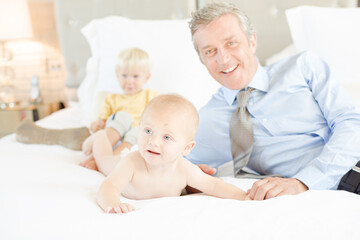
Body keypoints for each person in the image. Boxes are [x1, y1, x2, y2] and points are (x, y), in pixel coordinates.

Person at [186, 2, 360, 200]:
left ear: (252, 41)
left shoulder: (304, 67)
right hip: (315, 204)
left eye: (231, 43)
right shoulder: (205, 120)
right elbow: (168, 162)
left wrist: (305, 181)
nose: (224, 59)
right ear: (202, 60)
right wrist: (188, 177)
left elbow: (352, 123)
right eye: (210, 51)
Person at [87, 94, 249, 213]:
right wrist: (113, 203)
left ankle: (116, 134)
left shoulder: (185, 169)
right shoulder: (131, 162)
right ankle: (99, 136)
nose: (154, 141)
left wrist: (244, 197)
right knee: (103, 158)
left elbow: (213, 185)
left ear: (186, 148)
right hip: (118, 163)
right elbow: (109, 186)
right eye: (148, 130)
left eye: (166, 137)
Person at [80, 47, 159, 170]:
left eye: (135, 76)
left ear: (146, 77)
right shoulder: (111, 99)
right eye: (124, 76)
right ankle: (96, 155)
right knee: (123, 117)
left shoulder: (151, 96)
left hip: (133, 142)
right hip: (114, 138)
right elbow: (102, 123)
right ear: (117, 76)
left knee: (139, 130)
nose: (129, 81)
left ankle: (101, 162)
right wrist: (97, 125)